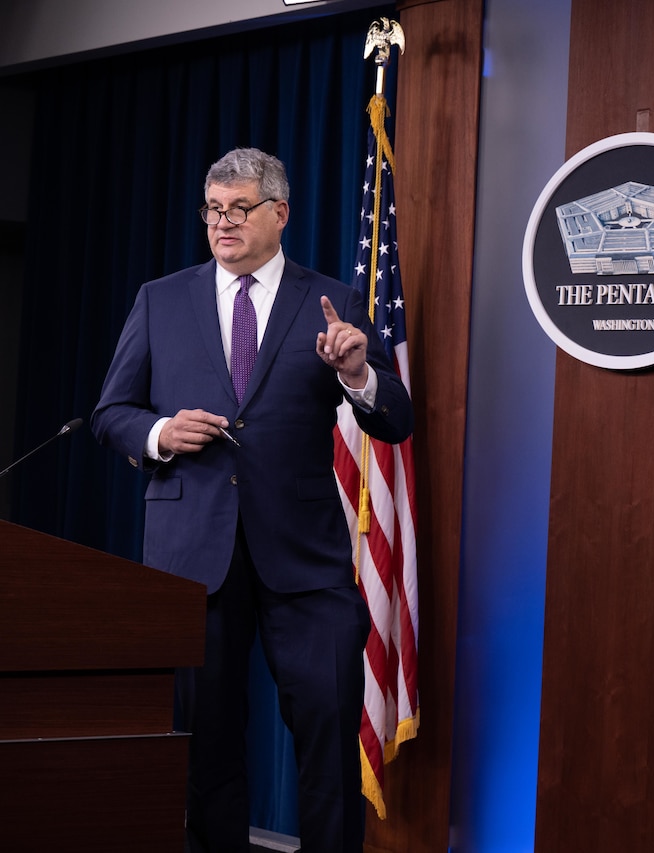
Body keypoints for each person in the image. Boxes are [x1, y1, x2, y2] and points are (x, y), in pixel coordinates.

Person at [91, 147, 413, 853]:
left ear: (279, 213)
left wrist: (358, 373)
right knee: (206, 744)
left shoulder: (332, 301)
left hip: (305, 560)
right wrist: (159, 431)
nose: (223, 223)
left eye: (239, 209)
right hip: (192, 561)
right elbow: (110, 411)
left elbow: (395, 416)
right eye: (213, 210)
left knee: (330, 730)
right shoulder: (161, 298)